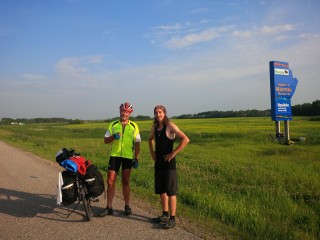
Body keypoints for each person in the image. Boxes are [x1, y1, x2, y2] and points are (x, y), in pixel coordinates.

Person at [148, 105, 189, 229]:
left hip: (169, 164)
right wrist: (152, 152)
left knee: (171, 191)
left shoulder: (170, 125)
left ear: (164, 113)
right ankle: (164, 214)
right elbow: (150, 139)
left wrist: (173, 153)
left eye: (160, 112)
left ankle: (172, 218)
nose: (158, 114)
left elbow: (185, 139)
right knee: (162, 190)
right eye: (156, 112)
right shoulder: (155, 127)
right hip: (159, 162)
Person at [99, 102, 141, 217]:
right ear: (120, 111)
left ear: (130, 113)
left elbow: (137, 143)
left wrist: (136, 158)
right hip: (115, 155)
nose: (124, 113)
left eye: (127, 112)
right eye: (123, 111)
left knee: (126, 181)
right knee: (110, 181)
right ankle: (109, 207)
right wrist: (113, 137)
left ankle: (127, 206)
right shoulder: (113, 124)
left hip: (127, 156)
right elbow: (105, 140)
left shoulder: (134, 126)